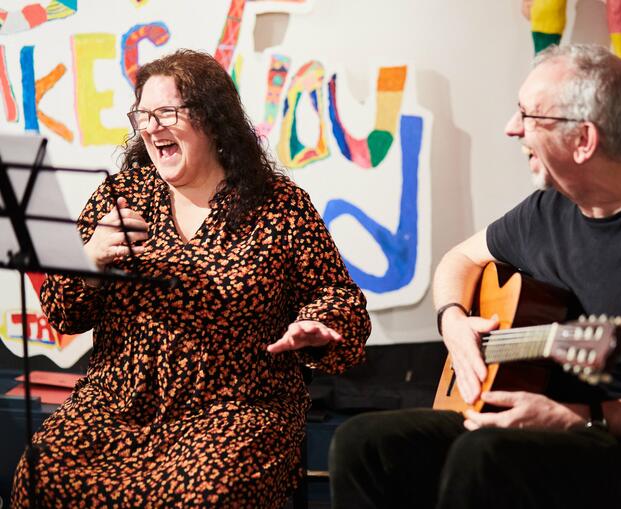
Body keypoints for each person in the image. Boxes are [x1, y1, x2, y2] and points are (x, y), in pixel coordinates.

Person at [329, 43, 621, 509]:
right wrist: (453, 321)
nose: (511, 127)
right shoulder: (549, 209)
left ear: (584, 139)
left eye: (530, 116)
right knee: (364, 445)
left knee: (484, 456)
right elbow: (458, 260)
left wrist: (583, 416)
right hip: (531, 421)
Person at [11, 49, 371, 508]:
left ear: (212, 119)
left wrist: (318, 325)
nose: (151, 126)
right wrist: (91, 260)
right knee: (40, 477)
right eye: (143, 115)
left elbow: (336, 295)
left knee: (202, 496)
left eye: (167, 113)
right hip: (117, 405)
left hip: (235, 409)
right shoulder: (121, 194)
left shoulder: (278, 205)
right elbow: (63, 313)